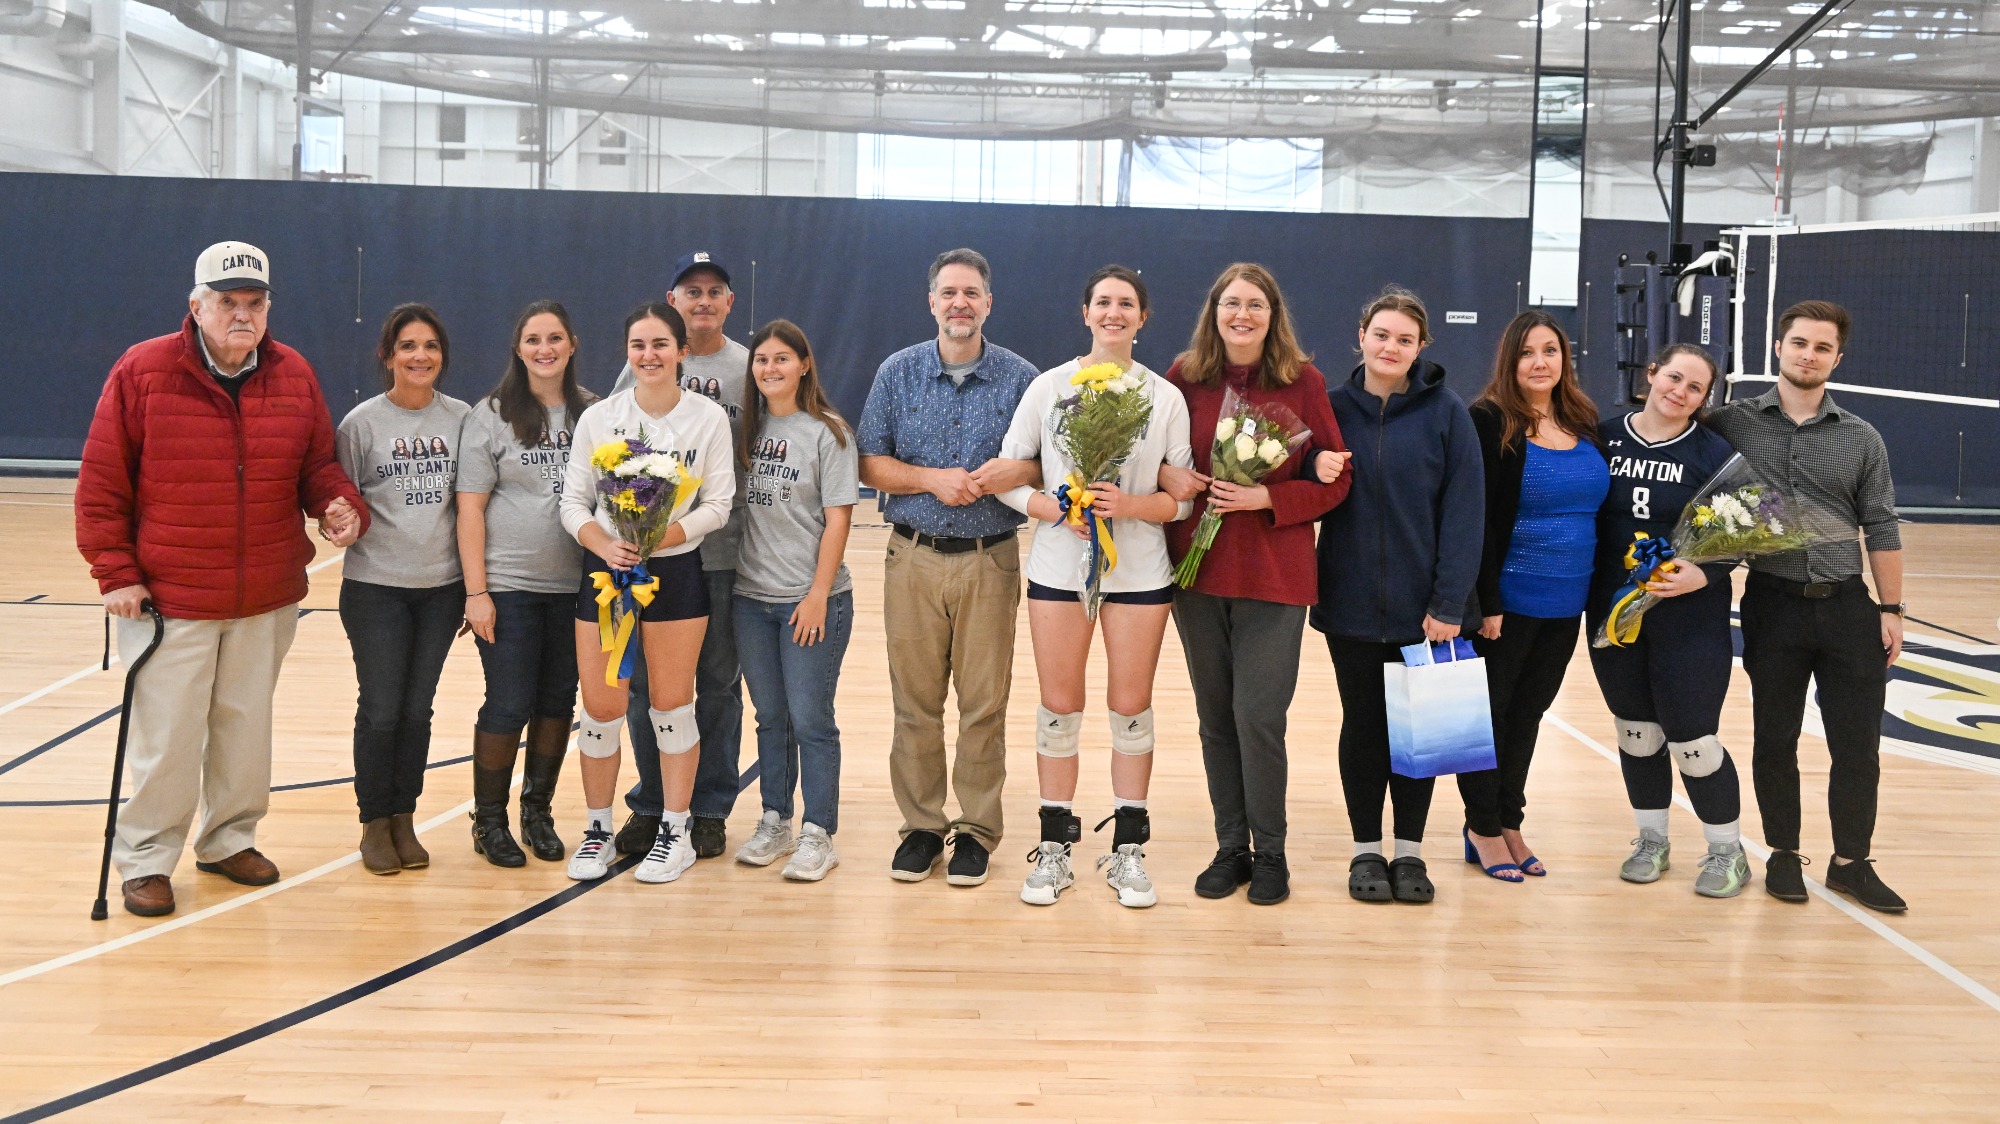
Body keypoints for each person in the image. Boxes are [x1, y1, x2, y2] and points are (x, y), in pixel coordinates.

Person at [75, 241, 366, 917]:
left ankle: (229, 839)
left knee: (244, 727)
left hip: (264, 591)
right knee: (167, 735)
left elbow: (316, 465)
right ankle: (146, 859)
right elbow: (100, 483)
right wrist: (114, 572)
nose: (243, 314)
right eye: (228, 301)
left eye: (255, 302)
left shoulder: (292, 373)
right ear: (197, 305)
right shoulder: (142, 370)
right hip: (169, 595)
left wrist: (336, 505)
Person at [995, 265, 1193, 909]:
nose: (1114, 312)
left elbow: (1181, 502)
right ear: (1086, 313)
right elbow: (1007, 476)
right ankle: (1055, 848)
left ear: (1142, 318)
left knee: (1131, 709)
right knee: (1059, 707)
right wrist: (1052, 509)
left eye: (1126, 304)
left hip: (1140, 575)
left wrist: (1128, 507)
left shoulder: (1163, 397)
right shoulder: (1048, 388)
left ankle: (1129, 850)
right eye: (1103, 302)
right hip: (1057, 571)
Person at [1706, 300, 1907, 913]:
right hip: (1774, 605)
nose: (1808, 355)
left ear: (1836, 359)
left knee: (1856, 747)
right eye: (1798, 343)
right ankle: (1784, 855)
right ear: (1778, 348)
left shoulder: (1860, 437)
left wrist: (1892, 607)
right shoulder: (1730, 424)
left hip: (1848, 608)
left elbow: (1881, 524)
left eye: (1821, 348)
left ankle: (1851, 862)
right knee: (1775, 739)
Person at [1166, 263, 1351, 907]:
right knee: (1215, 720)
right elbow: (1159, 464)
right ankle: (1230, 848)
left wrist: (1263, 497)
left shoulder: (1304, 382)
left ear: (1274, 316)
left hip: (1276, 577)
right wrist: (1173, 481)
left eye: (1255, 305)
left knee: (1258, 719)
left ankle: (1271, 854)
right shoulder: (1184, 377)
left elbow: (1336, 479)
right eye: (1230, 303)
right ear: (1213, 311)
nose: (1242, 315)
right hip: (1198, 575)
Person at [857, 247, 1041, 887]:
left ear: (988, 303)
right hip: (912, 557)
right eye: (948, 293)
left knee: (985, 705)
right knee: (915, 702)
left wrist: (1013, 472)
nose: (959, 303)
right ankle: (922, 828)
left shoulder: (1023, 379)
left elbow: (1048, 464)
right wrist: (931, 480)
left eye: (971, 293)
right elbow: (869, 462)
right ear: (931, 301)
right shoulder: (897, 373)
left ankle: (976, 831)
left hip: (989, 560)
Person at [1310, 286, 1481, 905]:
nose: (1391, 347)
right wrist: (1312, 470)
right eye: (1381, 334)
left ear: (1420, 347)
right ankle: (1364, 852)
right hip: (1348, 603)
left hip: (1426, 612)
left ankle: (1409, 851)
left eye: (1404, 339)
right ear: (1361, 335)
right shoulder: (1330, 410)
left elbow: (1466, 513)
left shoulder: (1447, 413)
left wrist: (1449, 604)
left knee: (1418, 734)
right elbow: (1306, 488)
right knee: (1364, 727)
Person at [559, 302, 735, 884]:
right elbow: (573, 502)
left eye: (661, 344)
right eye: (639, 344)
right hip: (607, 575)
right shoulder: (599, 419)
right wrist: (604, 544)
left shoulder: (707, 419)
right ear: (626, 352)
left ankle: (675, 832)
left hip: (676, 575)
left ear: (682, 350)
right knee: (602, 710)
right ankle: (598, 830)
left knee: (671, 707)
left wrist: (664, 537)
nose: (649, 355)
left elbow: (718, 503)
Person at [1588, 344, 1749, 896]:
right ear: (1651, 374)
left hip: (1690, 617)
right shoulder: (1601, 437)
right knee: (1637, 732)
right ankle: (1652, 840)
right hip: (1616, 614)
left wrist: (1703, 573)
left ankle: (1727, 851)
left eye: (1694, 388)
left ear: (1705, 399)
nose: (1679, 392)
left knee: (1692, 739)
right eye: (1673, 378)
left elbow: (1747, 527)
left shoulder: (1714, 452)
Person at [610, 252, 755, 862]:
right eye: (690, 291)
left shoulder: (750, 367)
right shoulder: (641, 364)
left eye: (713, 291)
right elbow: (615, 451)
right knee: (648, 687)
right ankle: (651, 803)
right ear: (672, 301)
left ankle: (711, 807)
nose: (702, 301)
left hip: (722, 551)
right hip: (654, 559)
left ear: (728, 302)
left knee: (718, 686)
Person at [1459, 312, 1608, 881]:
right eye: (1527, 353)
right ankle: (1482, 827)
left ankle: (1510, 821)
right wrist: (1486, 602)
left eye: (1551, 350)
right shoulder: (1490, 420)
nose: (1540, 362)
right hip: (1509, 603)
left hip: (1566, 604)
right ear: (1510, 362)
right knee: (1490, 719)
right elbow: (1481, 521)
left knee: (1528, 716)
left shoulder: (1583, 420)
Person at [457, 300, 595, 867]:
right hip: (510, 585)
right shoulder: (490, 413)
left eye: (555, 338)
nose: (545, 349)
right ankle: (488, 821)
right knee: (509, 702)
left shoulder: (593, 412)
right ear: (518, 348)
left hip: (578, 587)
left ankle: (537, 811)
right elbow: (469, 510)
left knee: (559, 701)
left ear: (572, 344)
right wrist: (476, 591)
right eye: (533, 339)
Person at [334, 304, 471, 875]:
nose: (421, 356)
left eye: (431, 346)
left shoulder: (464, 419)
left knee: (418, 710)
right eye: (408, 346)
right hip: (375, 589)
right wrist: (335, 519)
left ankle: (404, 818)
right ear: (388, 355)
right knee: (383, 709)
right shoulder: (360, 424)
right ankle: (373, 821)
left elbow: (473, 506)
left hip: (441, 590)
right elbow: (338, 500)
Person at [731, 320, 859, 882]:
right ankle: (775, 818)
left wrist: (816, 595)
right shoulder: (745, 431)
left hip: (810, 602)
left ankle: (818, 832)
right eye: (761, 359)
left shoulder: (828, 432)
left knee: (811, 719)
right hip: (749, 600)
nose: (770, 368)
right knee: (771, 718)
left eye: (782, 359)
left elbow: (839, 521)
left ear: (804, 365)